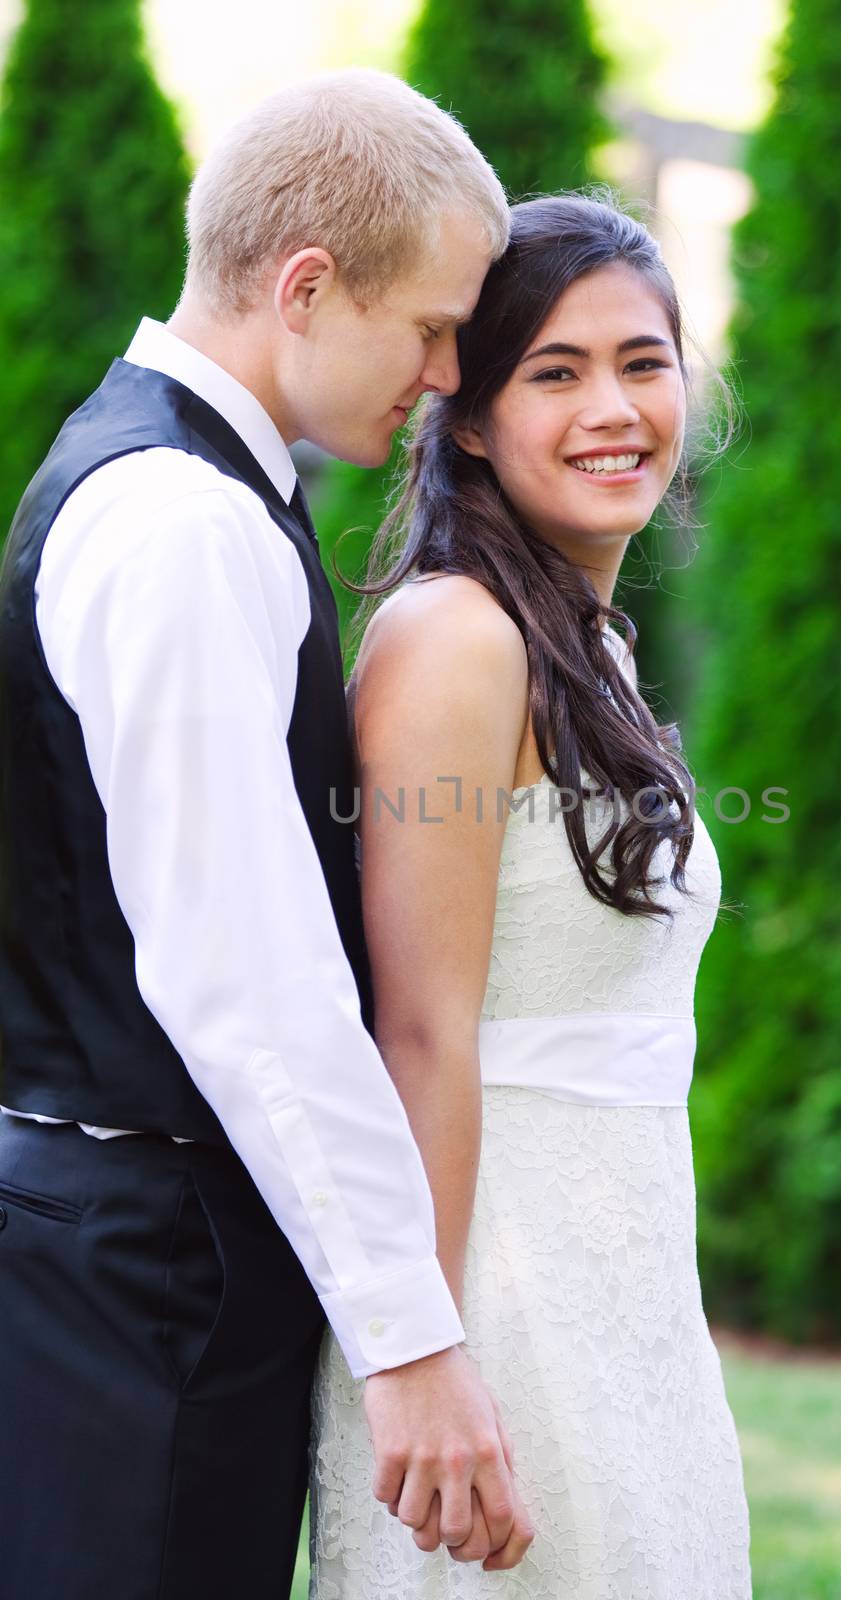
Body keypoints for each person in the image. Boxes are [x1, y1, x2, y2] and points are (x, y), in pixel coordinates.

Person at [0, 69, 536, 1600]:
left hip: (138, 1254)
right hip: (142, 1271)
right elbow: (249, 974)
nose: (447, 376)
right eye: (433, 328)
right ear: (306, 287)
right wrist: (412, 1339)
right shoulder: (179, 521)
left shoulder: (206, 490)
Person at [309, 194, 753, 1598]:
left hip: (623, 1291)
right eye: (554, 372)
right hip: (498, 1300)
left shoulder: (586, 644)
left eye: (643, 360)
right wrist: (423, 1357)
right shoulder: (457, 637)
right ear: (476, 419)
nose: (613, 407)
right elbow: (421, 1031)